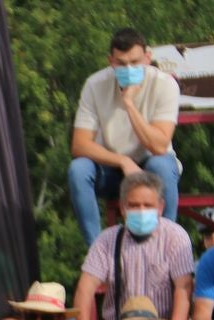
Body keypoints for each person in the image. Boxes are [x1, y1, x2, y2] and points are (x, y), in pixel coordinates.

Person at [68, 27, 180, 245]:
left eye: (135, 62)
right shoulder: (94, 84)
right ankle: (97, 251)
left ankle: (167, 247)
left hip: (151, 167)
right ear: (111, 61)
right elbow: (79, 145)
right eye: (121, 63)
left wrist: (129, 103)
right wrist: (123, 161)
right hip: (112, 168)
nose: (128, 69)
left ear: (148, 58)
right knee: (78, 169)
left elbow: (159, 145)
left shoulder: (165, 84)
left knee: (163, 166)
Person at [73, 172, 193, 320]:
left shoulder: (175, 237)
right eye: (134, 206)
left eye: (148, 205)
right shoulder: (107, 240)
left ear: (160, 207)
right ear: (122, 208)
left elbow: (183, 288)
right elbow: (84, 289)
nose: (141, 211)